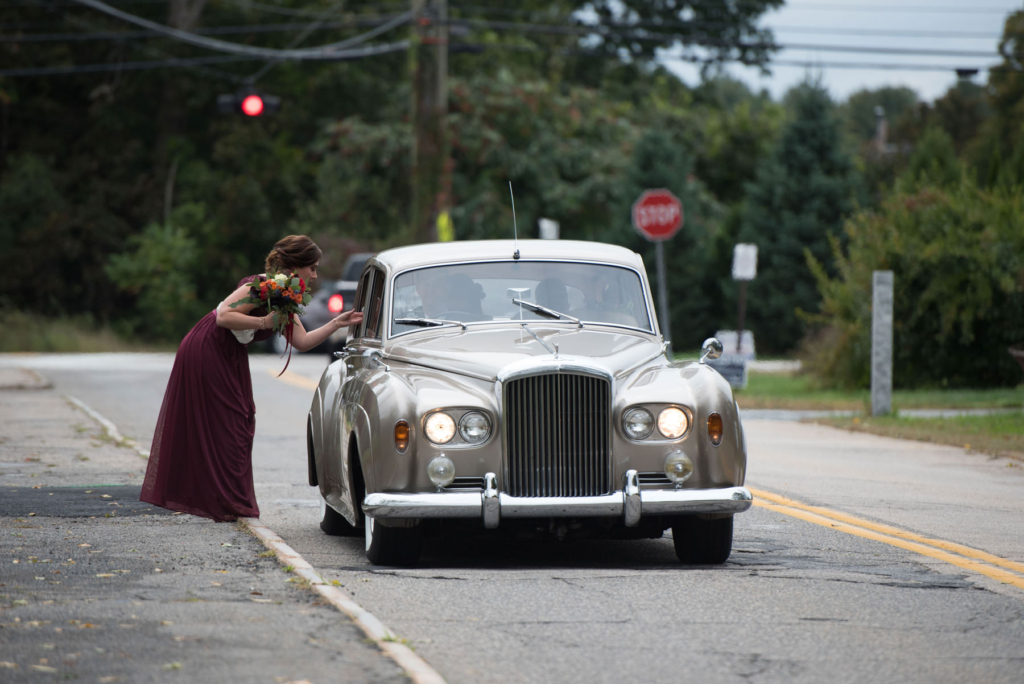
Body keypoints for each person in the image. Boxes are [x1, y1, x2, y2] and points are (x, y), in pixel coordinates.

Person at [140, 235, 364, 521]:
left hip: (230, 353)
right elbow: (223, 316)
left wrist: (336, 323)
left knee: (242, 419)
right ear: (297, 265)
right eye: (313, 268)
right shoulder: (261, 286)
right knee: (231, 421)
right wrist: (263, 322)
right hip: (208, 348)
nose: (316, 275)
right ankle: (226, 503)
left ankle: (226, 500)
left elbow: (303, 341)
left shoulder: (286, 294)